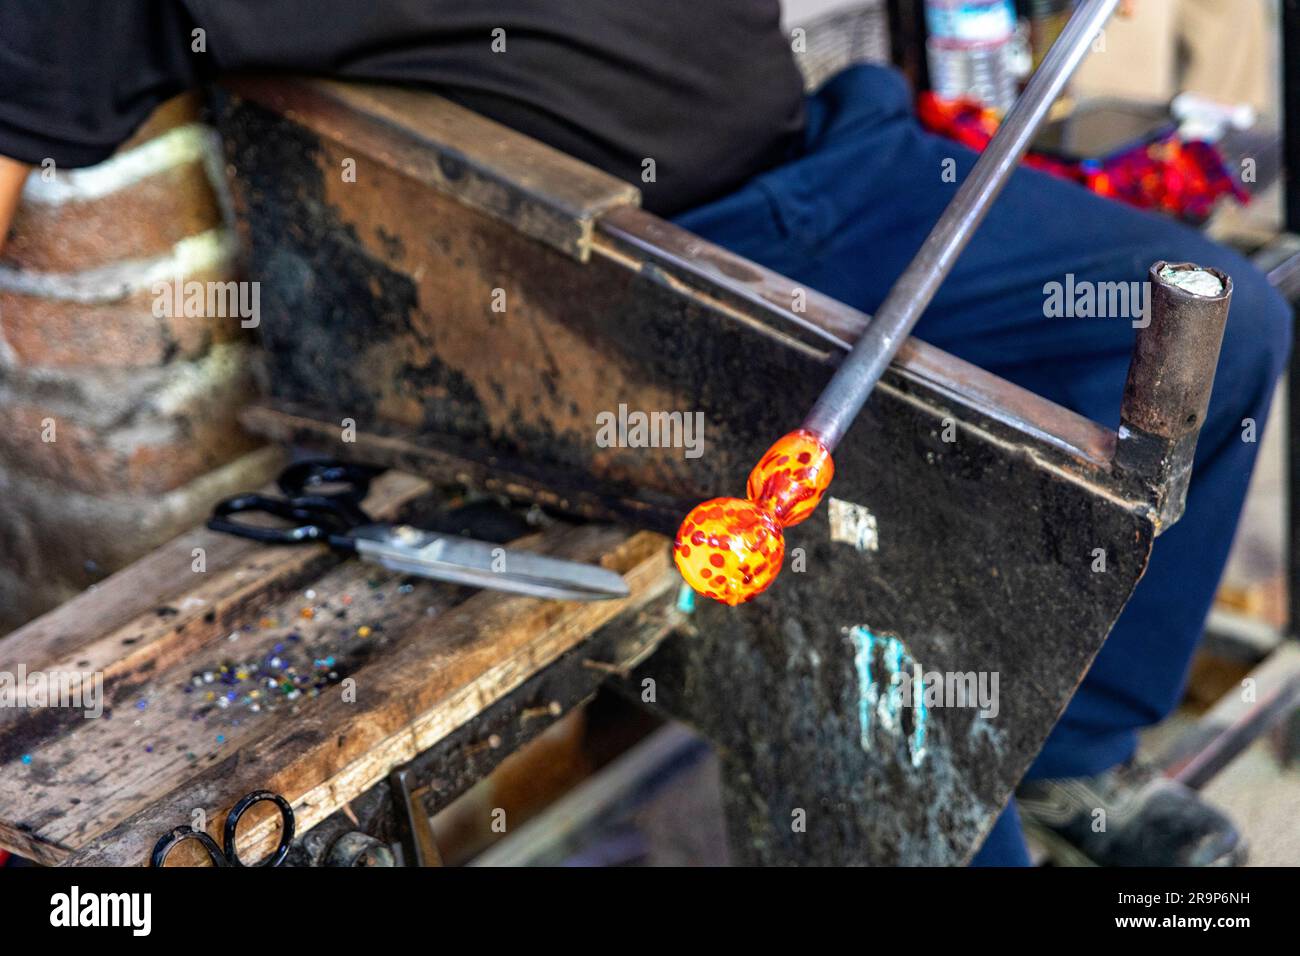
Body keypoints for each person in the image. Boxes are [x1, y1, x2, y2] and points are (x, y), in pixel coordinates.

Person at [0, 1, 1289, 865]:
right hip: (636, 281)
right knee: (902, 617)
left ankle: (1074, 757)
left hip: (849, 160)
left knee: (1237, 324)